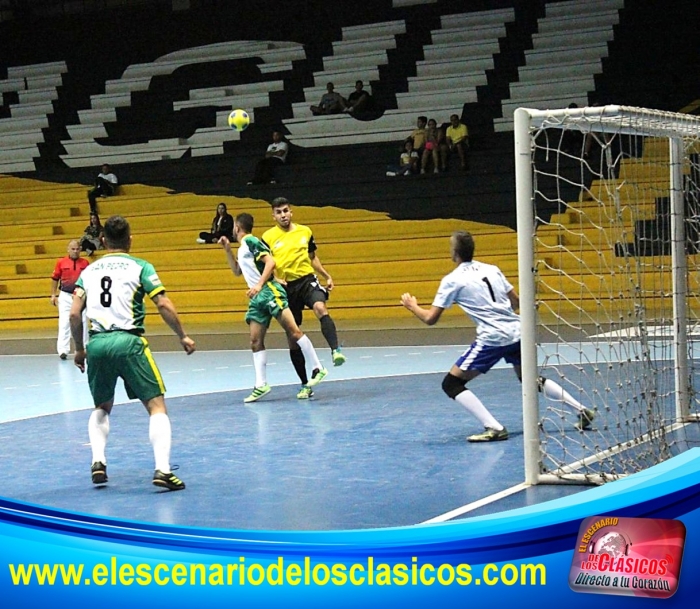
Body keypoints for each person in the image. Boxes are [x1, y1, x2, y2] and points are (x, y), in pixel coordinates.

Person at [400, 231, 595, 442]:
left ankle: (494, 427)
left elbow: (430, 319)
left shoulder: (452, 280)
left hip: (493, 338)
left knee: (451, 384)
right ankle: (582, 410)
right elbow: (516, 302)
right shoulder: (491, 269)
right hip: (518, 331)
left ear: (454, 253)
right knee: (530, 379)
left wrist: (412, 306)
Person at [69, 215, 196, 490]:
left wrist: (80, 350)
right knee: (156, 406)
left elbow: (74, 314)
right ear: (130, 240)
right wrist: (182, 335)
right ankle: (162, 469)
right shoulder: (140, 266)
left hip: (98, 344)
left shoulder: (88, 271)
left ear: (102, 240)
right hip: (129, 342)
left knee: (102, 406)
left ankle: (98, 461)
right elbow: (162, 303)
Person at [219, 212, 328, 402]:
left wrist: (260, 284)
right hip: (256, 299)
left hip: (269, 291)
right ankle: (261, 384)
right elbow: (237, 271)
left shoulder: (252, 241)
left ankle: (318, 367)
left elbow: (271, 262)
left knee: (293, 332)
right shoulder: (242, 248)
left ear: (237, 227)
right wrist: (227, 250)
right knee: (255, 340)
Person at [262, 197, 346, 400]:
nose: (283, 215)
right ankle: (305, 383)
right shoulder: (267, 237)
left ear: (291, 212)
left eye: (286, 211)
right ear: (273, 216)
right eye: (279, 212)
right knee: (293, 337)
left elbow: (312, 257)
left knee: (320, 308)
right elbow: (263, 264)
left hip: (307, 281)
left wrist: (326, 275)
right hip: (286, 288)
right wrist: (274, 279)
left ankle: (335, 351)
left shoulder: (305, 232)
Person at [50, 239, 89, 360]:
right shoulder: (61, 262)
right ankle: (63, 350)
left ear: (80, 250)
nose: (75, 251)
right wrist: (53, 294)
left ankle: (86, 347)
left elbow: (89, 279)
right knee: (64, 322)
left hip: (80, 294)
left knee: (83, 321)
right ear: (68, 249)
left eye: (77, 249)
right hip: (65, 295)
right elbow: (55, 278)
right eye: (73, 249)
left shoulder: (85, 263)